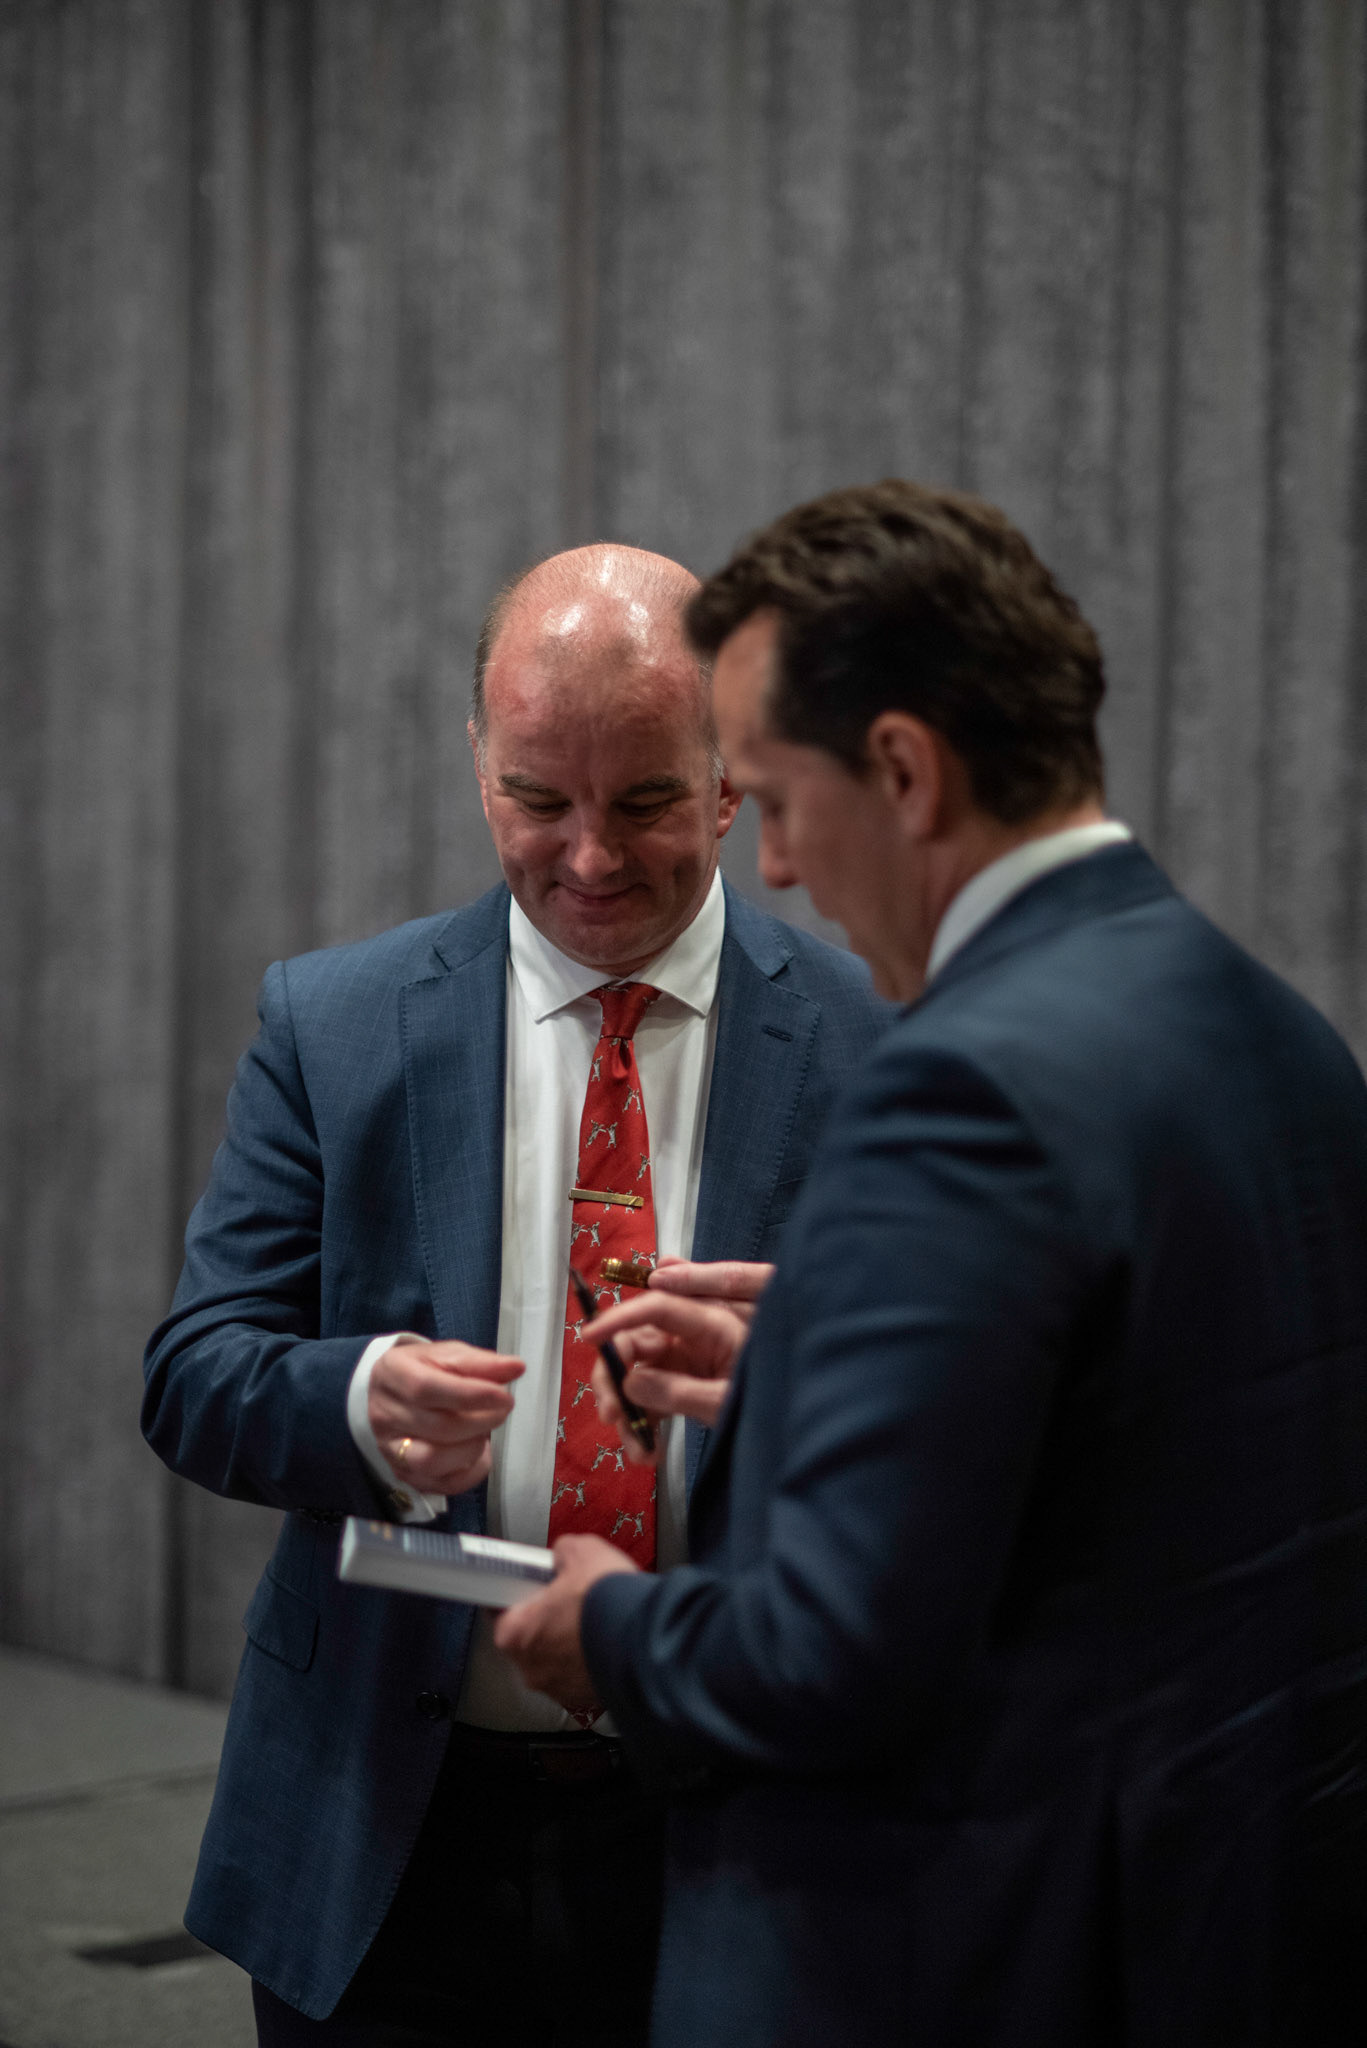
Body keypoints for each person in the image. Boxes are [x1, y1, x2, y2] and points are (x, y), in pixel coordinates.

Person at [497, 482, 1367, 2047]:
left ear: (902, 769)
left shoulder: (957, 1082)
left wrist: (606, 1630)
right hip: (1229, 1914)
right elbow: (1154, 1442)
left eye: (766, 794)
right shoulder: (1285, 1036)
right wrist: (832, 1365)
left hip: (963, 1947)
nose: (766, 869)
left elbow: (828, 1654)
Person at [141, 542, 887, 2045]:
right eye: (538, 801)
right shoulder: (334, 1025)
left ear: (735, 780)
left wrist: (796, 1386)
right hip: (384, 1827)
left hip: (731, 1828)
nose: (592, 857)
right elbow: (195, 1373)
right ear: (479, 764)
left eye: (649, 802)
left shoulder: (881, 1050)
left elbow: (966, 1438)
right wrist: (355, 1399)